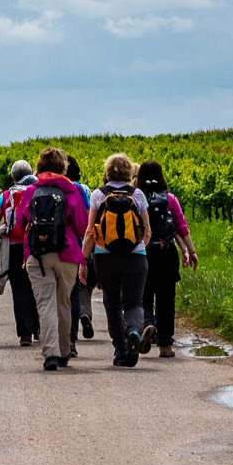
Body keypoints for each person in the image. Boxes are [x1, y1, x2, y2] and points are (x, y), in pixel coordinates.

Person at [12, 147, 89, 371]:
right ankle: (65, 349)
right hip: (66, 254)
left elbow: (20, 224)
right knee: (64, 302)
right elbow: (82, 226)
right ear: (62, 166)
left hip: (37, 254)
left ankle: (50, 353)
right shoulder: (71, 191)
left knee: (45, 303)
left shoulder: (31, 191)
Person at [80, 152, 151, 367]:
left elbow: (90, 231)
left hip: (105, 257)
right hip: (135, 257)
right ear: (129, 172)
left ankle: (121, 350)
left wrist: (83, 261)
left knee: (112, 303)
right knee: (134, 301)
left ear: (107, 171)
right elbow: (147, 231)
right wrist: (139, 249)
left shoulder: (99, 196)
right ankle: (134, 331)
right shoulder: (137, 194)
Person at [133, 160, 198, 358]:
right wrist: (191, 251)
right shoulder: (169, 199)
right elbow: (181, 226)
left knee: (144, 295)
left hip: (143, 252)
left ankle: (148, 324)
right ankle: (165, 345)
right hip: (167, 252)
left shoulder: (136, 198)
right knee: (166, 298)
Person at [0, 160, 40, 345]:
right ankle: (39, 328)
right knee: (38, 287)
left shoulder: (6, 195)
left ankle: (25, 334)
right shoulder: (37, 191)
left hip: (14, 247)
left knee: (19, 290)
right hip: (35, 245)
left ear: (13, 178)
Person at [64, 155, 96, 354]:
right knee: (80, 288)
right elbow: (87, 219)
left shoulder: (52, 187)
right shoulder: (83, 189)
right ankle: (76, 329)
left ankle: (60, 335)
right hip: (79, 246)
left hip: (54, 247)